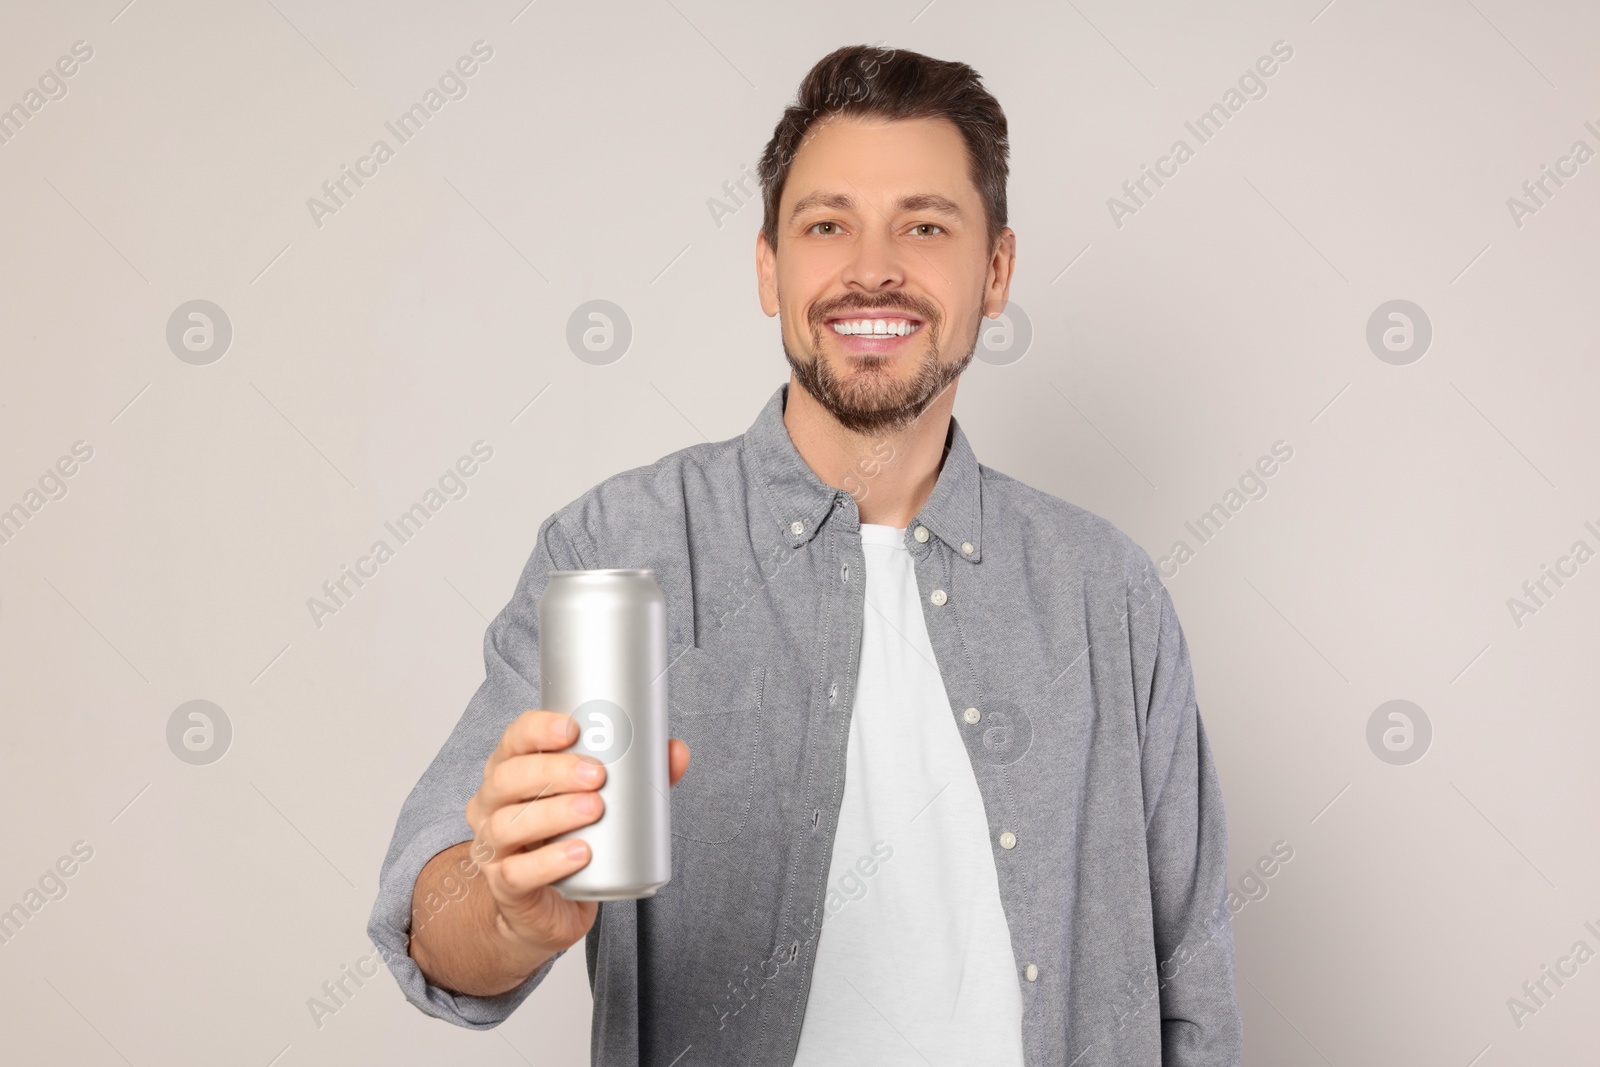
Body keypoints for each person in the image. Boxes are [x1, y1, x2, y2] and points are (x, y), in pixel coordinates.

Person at [369, 42, 1243, 1066]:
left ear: (995, 271)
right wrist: (511, 908)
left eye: (924, 225)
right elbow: (435, 922)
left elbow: (1193, 986)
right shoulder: (616, 549)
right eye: (827, 225)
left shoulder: (1108, 592)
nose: (873, 268)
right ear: (767, 268)